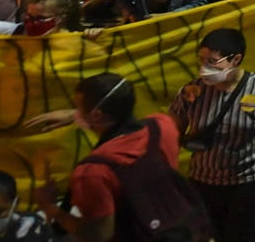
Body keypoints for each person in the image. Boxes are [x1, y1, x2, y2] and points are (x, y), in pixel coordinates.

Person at [39, 73, 213, 242]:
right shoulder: (162, 126)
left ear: (97, 115)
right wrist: (76, 115)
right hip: (189, 232)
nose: (76, 112)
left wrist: (51, 208)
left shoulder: (93, 171)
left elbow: (98, 234)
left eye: (78, 107)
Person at [168, 29, 255, 242]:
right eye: (201, 60)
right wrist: (188, 139)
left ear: (236, 59)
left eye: (212, 62)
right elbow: (171, 132)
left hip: (249, 183)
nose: (204, 68)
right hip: (204, 182)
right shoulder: (191, 92)